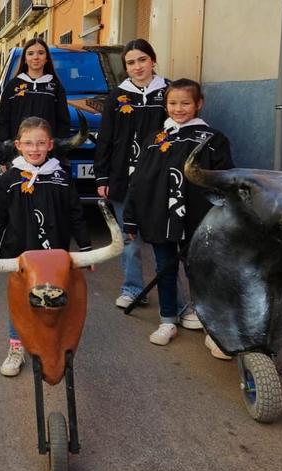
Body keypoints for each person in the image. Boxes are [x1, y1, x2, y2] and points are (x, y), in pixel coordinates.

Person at [122, 79, 234, 359]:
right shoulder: (156, 139)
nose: (178, 108)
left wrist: (223, 218)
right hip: (161, 219)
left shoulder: (213, 139)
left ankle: (213, 329)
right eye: (172, 103)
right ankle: (168, 320)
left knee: (203, 273)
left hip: (200, 221)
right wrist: (131, 219)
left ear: (199, 104)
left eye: (185, 103)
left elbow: (225, 181)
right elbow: (138, 181)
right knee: (165, 269)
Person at [0, 117, 92, 377]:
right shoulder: (9, 179)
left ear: (50, 145)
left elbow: (76, 213)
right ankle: (16, 348)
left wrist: (86, 248)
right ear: (18, 145)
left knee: (53, 300)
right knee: (20, 303)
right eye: (29, 143)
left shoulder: (62, 177)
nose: (35, 149)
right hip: (19, 256)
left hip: (54, 258)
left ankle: (51, 345)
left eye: (41, 143)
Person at [94, 39, 168, 309]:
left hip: (160, 181)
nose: (137, 67)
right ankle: (133, 289)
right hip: (123, 179)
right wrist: (101, 177)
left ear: (152, 60)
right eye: (131, 62)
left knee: (164, 241)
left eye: (142, 60)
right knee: (129, 239)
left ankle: (173, 300)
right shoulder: (117, 96)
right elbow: (105, 139)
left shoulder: (168, 93)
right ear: (125, 67)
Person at [0, 38, 69, 144]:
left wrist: (58, 147)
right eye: (30, 53)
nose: (36, 57)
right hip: (18, 152)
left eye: (41, 53)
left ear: (47, 58)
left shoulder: (56, 87)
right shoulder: (12, 86)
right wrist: (6, 146)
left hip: (46, 152)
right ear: (25, 59)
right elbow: (3, 120)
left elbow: (63, 122)